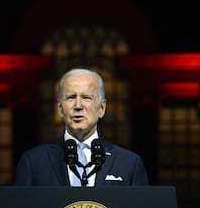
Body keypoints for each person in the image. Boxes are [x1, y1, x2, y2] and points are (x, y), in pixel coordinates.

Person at [13, 68, 149, 186]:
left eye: (86, 97)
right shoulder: (33, 162)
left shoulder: (129, 163)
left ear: (101, 108)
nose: (78, 106)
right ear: (60, 108)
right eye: (71, 97)